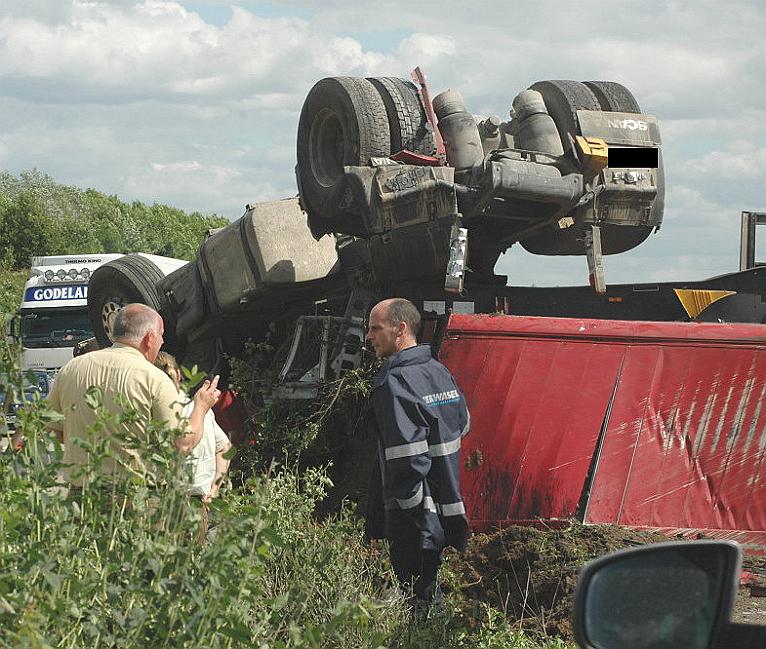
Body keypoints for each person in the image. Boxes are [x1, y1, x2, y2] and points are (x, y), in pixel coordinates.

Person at [364, 297, 471, 611]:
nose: (369, 337)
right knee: (428, 589)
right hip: (444, 504)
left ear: (400, 329)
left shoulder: (394, 382)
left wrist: (415, 514)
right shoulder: (438, 372)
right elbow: (463, 423)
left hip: (414, 515)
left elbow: (405, 461)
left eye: (375, 329)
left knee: (419, 600)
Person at [47, 303, 220, 488]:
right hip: (136, 500)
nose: (162, 342)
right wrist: (201, 406)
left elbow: (55, 431)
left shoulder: (70, 369)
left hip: (82, 498)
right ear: (149, 338)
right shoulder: (154, 379)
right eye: (161, 335)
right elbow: (181, 444)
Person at [154, 351, 232, 503]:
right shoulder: (202, 411)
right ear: (179, 374)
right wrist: (213, 490)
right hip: (200, 500)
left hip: (166, 501)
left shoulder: (154, 413)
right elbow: (224, 447)